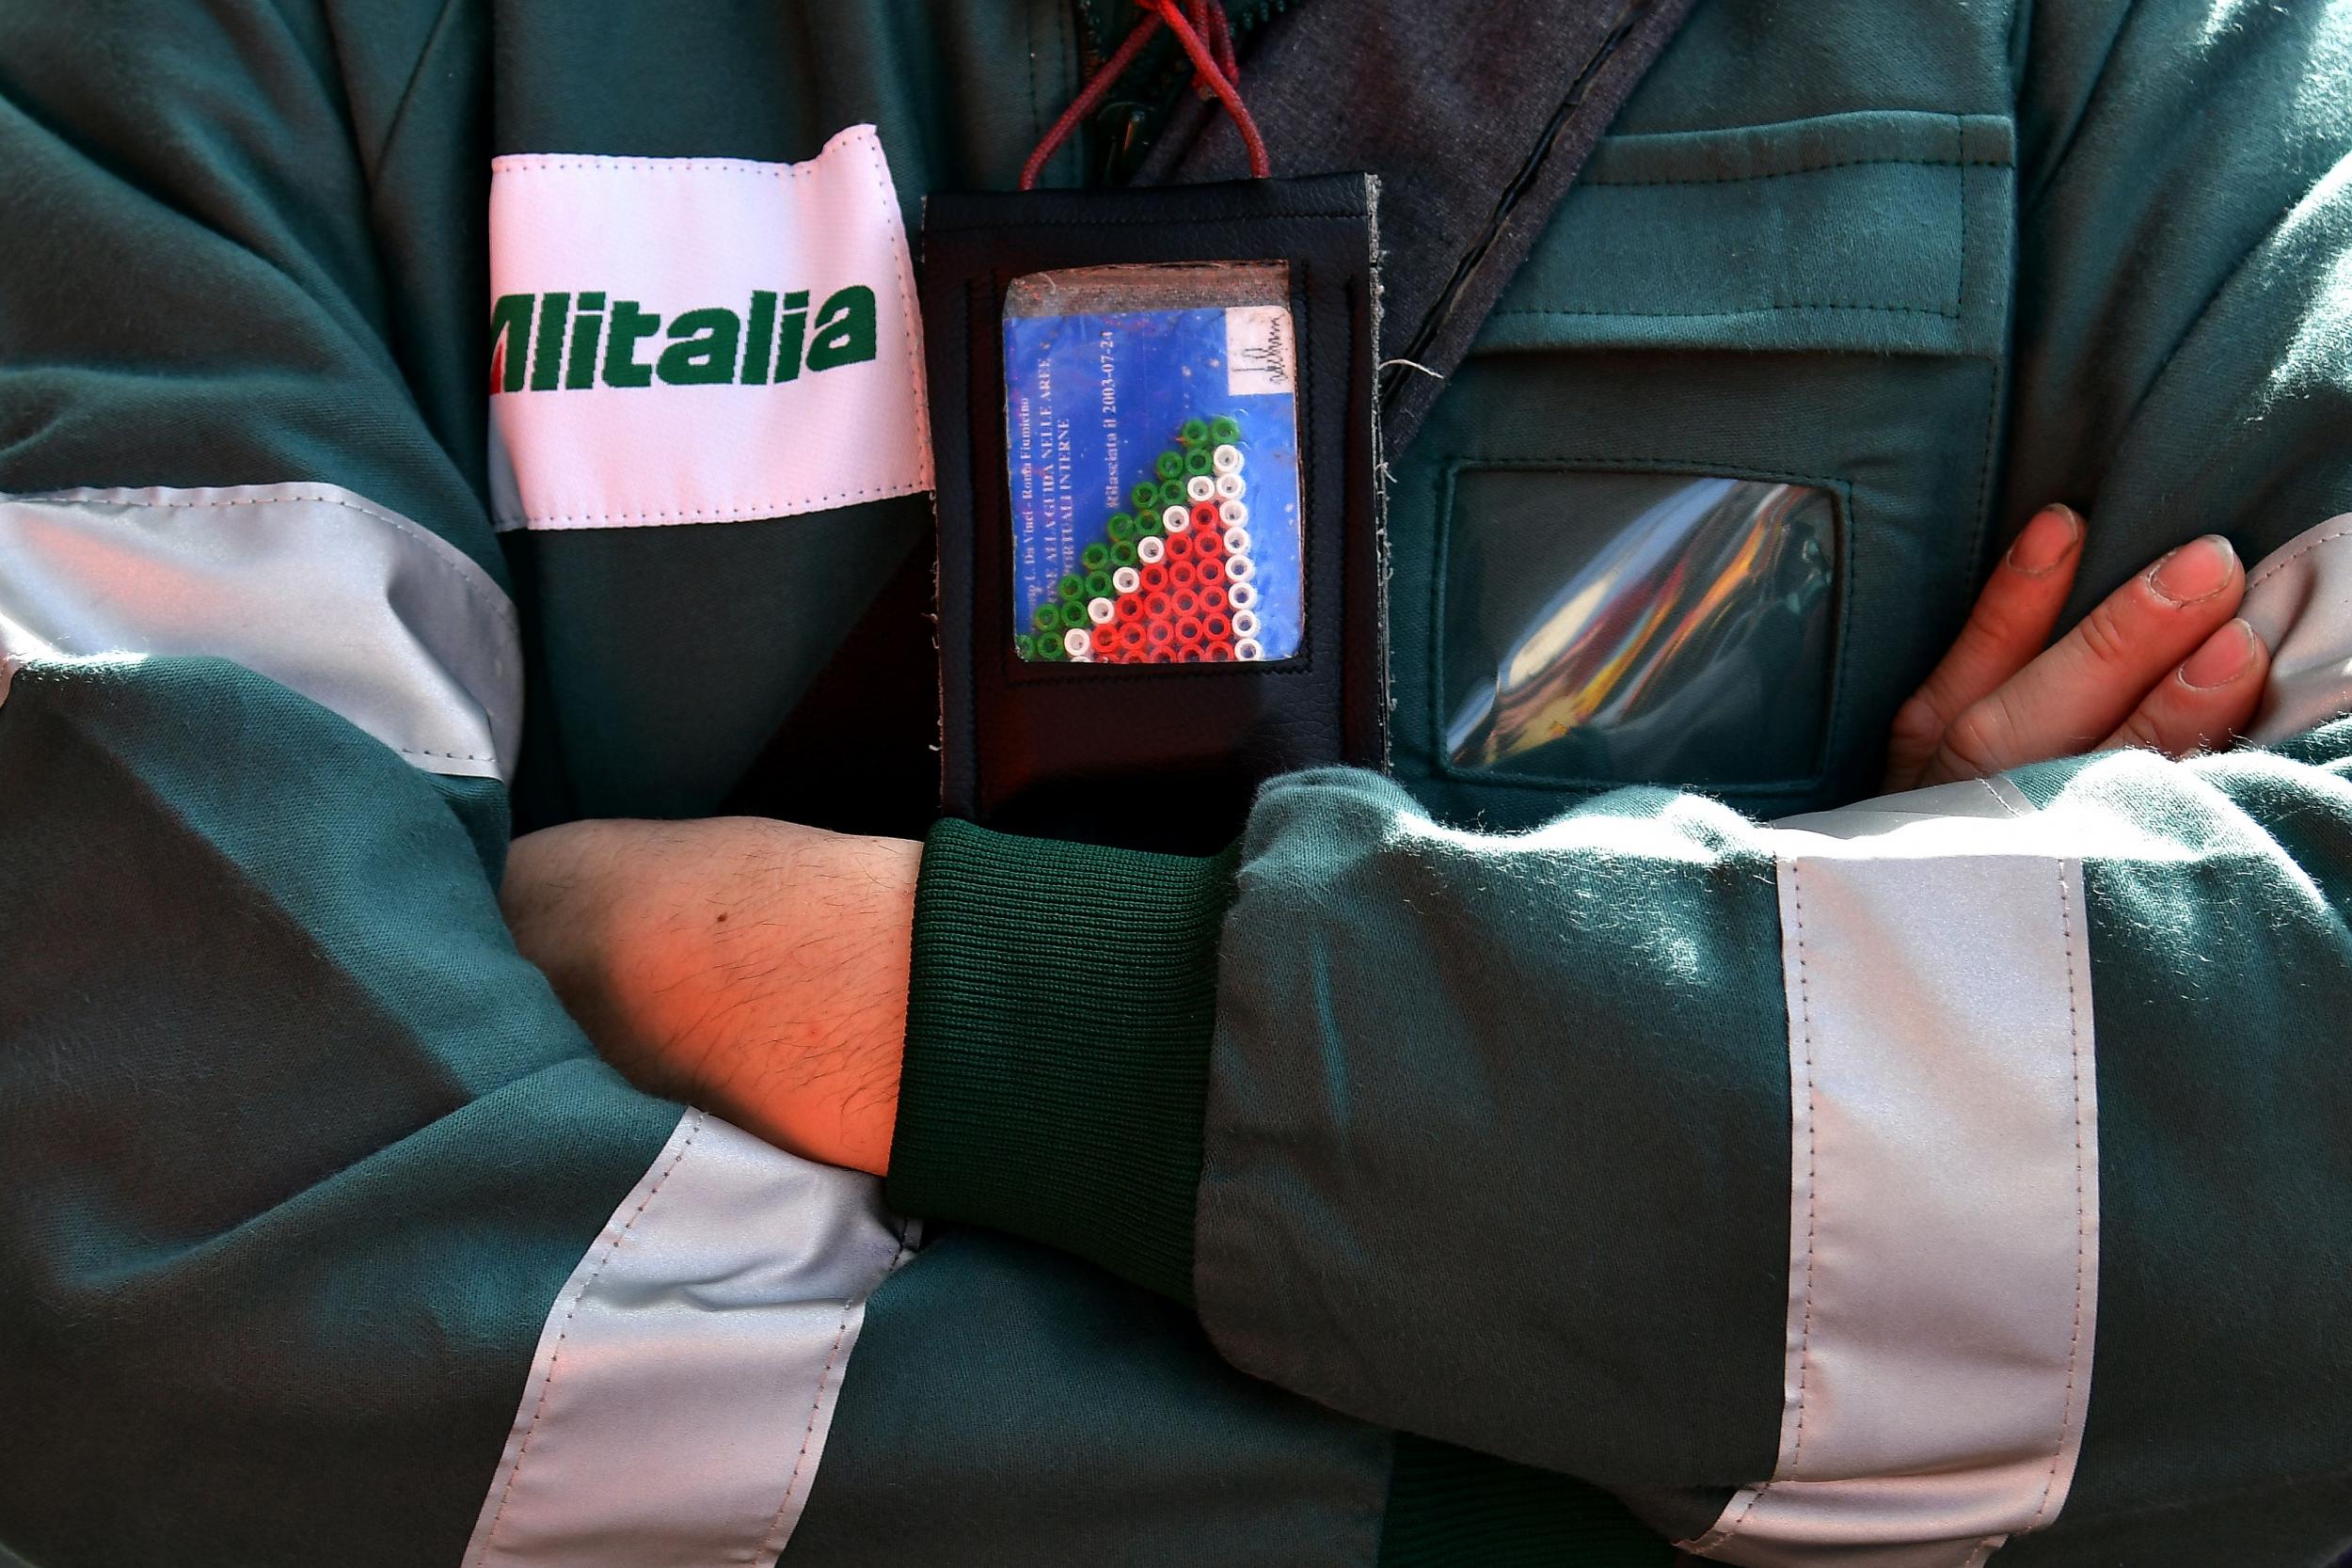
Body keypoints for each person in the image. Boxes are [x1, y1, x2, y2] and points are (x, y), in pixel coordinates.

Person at [2, 3, 2348, 1566]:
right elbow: (211, 1277)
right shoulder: (232, 48)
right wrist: (1807, 1386)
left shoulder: (2145, 49)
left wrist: (968, 1017)